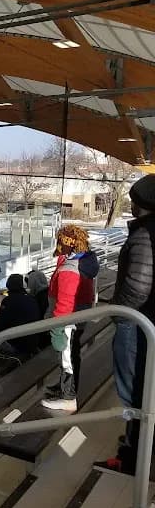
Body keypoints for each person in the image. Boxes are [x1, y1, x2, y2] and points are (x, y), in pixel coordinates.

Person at [97, 175, 155, 475]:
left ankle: (133, 455)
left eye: (134, 200)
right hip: (143, 324)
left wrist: (120, 314)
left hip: (137, 325)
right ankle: (136, 444)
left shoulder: (145, 235)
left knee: (133, 388)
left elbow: (138, 286)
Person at [42, 225, 99, 412]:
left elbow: (65, 303)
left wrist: (57, 328)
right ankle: (64, 387)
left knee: (67, 359)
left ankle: (68, 398)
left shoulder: (70, 269)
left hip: (68, 322)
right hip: (78, 318)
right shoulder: (82, 260)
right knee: (71, 355)